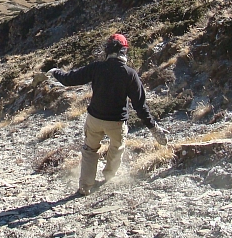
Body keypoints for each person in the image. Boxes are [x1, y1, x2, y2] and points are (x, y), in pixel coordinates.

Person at [47, 33, 169, 196]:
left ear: (108, 50)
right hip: (117, 123)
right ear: (124, 52)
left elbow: (70, 79)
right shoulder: (130, 74)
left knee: (90, 150)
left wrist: (55, 72)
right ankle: (109, 177)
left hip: (95, 119)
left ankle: (85, 186)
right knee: (117, 148)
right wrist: (154, 128)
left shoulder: (97, 68)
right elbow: (140, 106)